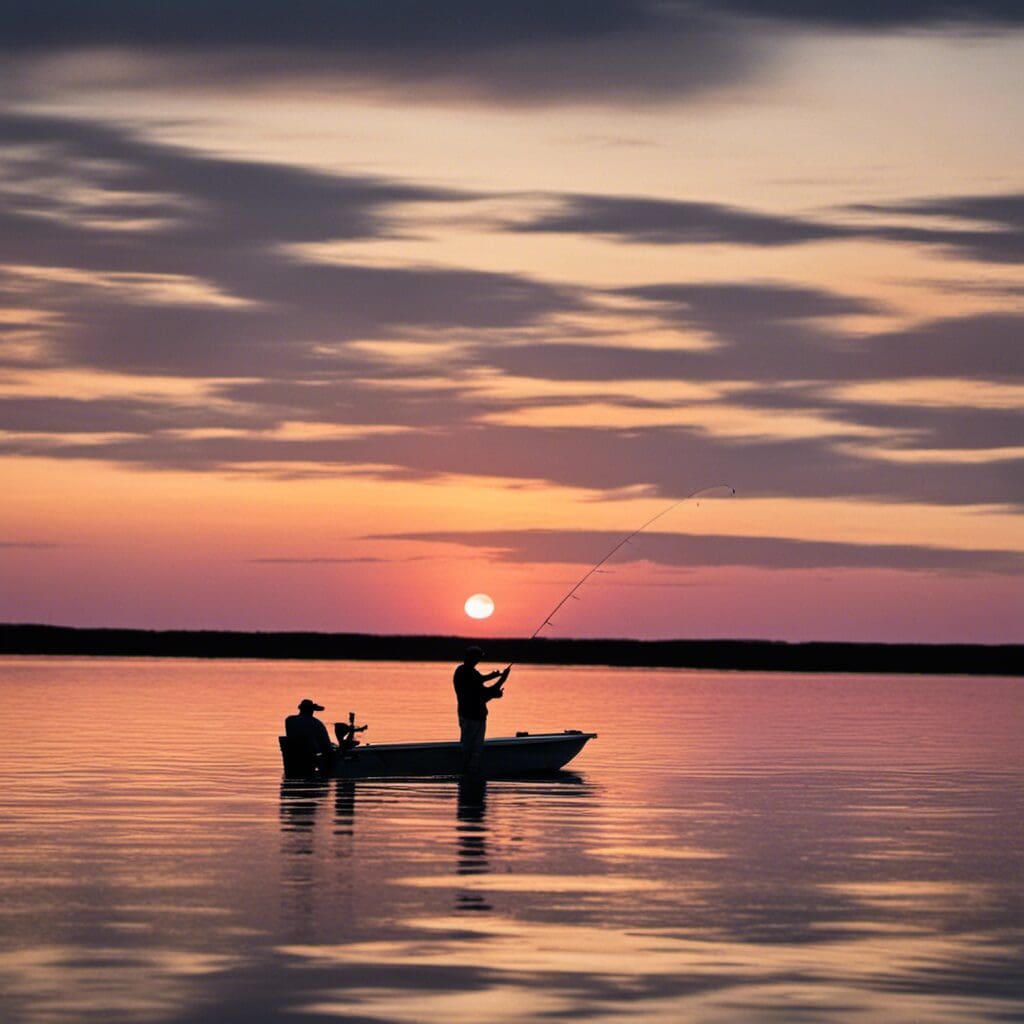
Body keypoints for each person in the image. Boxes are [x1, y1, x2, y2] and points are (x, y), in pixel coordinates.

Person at [453, 647, 510, 774]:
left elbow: (481, 690)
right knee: (474, 750)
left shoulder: (461, 671)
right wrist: (502, 679)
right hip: (475, 719)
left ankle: (466, 772)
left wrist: (493, 677)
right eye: (478, 658)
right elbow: (485, 693)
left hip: (465, 716)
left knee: (466, 747)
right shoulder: (470, 674)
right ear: (474, 658)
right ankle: (470, 774)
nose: (479, 660)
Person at [284, 698, 333, 776]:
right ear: (312, 710)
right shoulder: (317, 724)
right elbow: (326, 745)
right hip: (309, 758)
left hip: (292, 758)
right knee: (330, 756)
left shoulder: (289, 720)